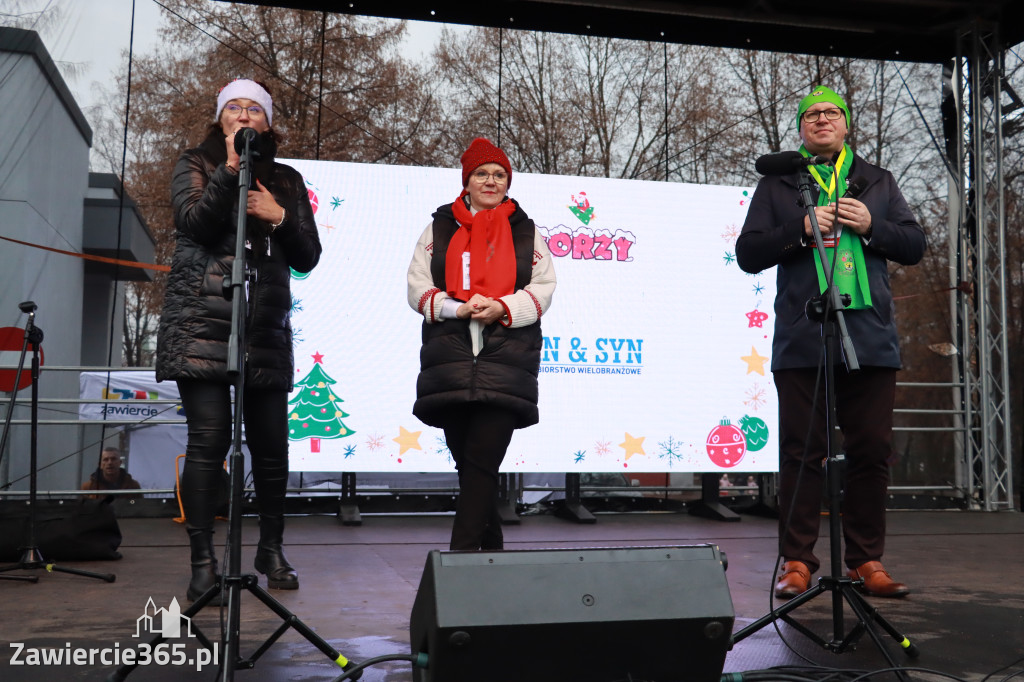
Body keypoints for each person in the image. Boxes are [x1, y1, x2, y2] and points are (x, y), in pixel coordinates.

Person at [736, 86, 926, 599]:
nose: (821, 119)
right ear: (801, 128)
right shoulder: (780, 183)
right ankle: (797, 561)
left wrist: (872, 226)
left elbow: (914, 245)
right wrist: (799, 228)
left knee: (871, 450)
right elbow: (748, 252)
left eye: (831, 113)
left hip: (868, 336)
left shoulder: (877, 181)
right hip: (803, 336)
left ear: (846, 124)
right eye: (811, 114)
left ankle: (867, 561)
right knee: (802, 452)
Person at [156, 78, 321, 601]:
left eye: (255, 109)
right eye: (235, 107)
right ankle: (203, 560)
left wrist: (281, 218)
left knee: (272, 447)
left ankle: (271, 549)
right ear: (221, 118)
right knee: (208, 444)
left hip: (263, 325)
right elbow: (195, 224)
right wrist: (229, 171)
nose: (245, 115)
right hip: (200, 324)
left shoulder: (288, 180)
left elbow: (308, 256)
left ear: (268, 122)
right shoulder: (195, 163)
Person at [407, 138, 556, 551]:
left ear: (508, 182)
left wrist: (502, 308)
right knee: (473, 469)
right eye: (482, 173)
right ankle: (492, 557)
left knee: (480, 463)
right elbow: (417, 287)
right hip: (450, 364)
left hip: (506, 365)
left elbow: (544, 289)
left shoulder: (526, 232)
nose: (491, 181)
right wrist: (457, 309)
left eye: (499, 174)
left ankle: (459, 562)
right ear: (467, 181)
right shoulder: (438, 228)